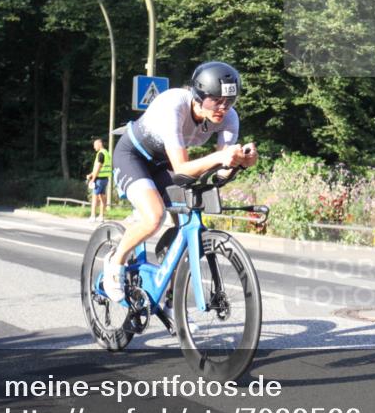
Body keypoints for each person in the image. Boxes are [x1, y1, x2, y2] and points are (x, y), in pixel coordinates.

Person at [103, 61, 258, 301]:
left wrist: (239, 162)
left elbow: (219, 174)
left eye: (229, 101)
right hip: (133, 156)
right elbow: (183, 168)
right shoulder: (174, 103)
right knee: (155, 217)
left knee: (186, 227)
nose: (223, 108)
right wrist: (220, 156)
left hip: (165, 163)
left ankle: (170, 299)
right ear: (198, 96)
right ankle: (115, 263)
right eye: (215, 100)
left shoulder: (229, 119)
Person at [85, 138, 112, 222]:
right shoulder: (106, 153)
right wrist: (91, 174)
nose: (94, 147)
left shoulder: (100, 154)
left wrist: (92, 179)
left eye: (95, 145)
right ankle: (101, 216)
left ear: (99, 144)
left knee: (95, 197)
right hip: (105, 178)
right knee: (102, 197)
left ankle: (93, 216)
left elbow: (98, 167)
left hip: (99, 179)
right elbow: (102, 167)